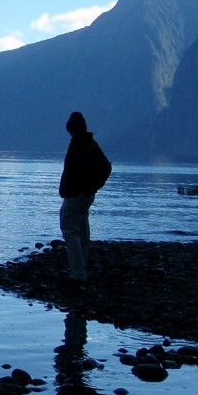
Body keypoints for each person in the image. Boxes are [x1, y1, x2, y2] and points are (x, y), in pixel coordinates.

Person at [58, 111, 111, 283]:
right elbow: (106, 167)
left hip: (76, 195)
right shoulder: (90, 143)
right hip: (86, 195)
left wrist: (87, 188)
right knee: (82, 230)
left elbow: (103, 167)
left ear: (71, 128)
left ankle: (77, 274)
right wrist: (93, 188)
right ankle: (82, 268)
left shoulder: (79, 144)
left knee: (70, 231)